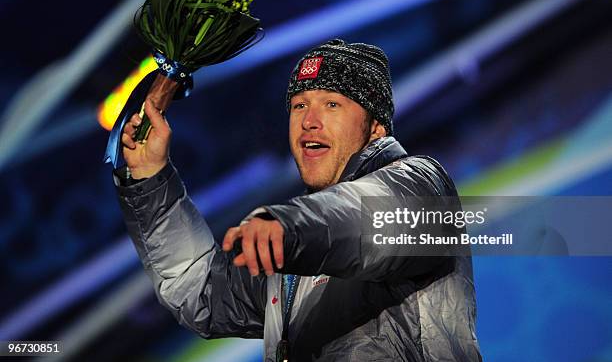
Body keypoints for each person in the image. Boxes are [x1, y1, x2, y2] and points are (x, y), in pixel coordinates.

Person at [113, 39, 482, 361]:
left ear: (376, 127)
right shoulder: (289, 260)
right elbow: (201, 291)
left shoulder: (422, 186)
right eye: (300, 105)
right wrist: (151, 179)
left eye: (332, 105)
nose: (309, 121)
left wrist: (289, 227)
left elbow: (363, 219)